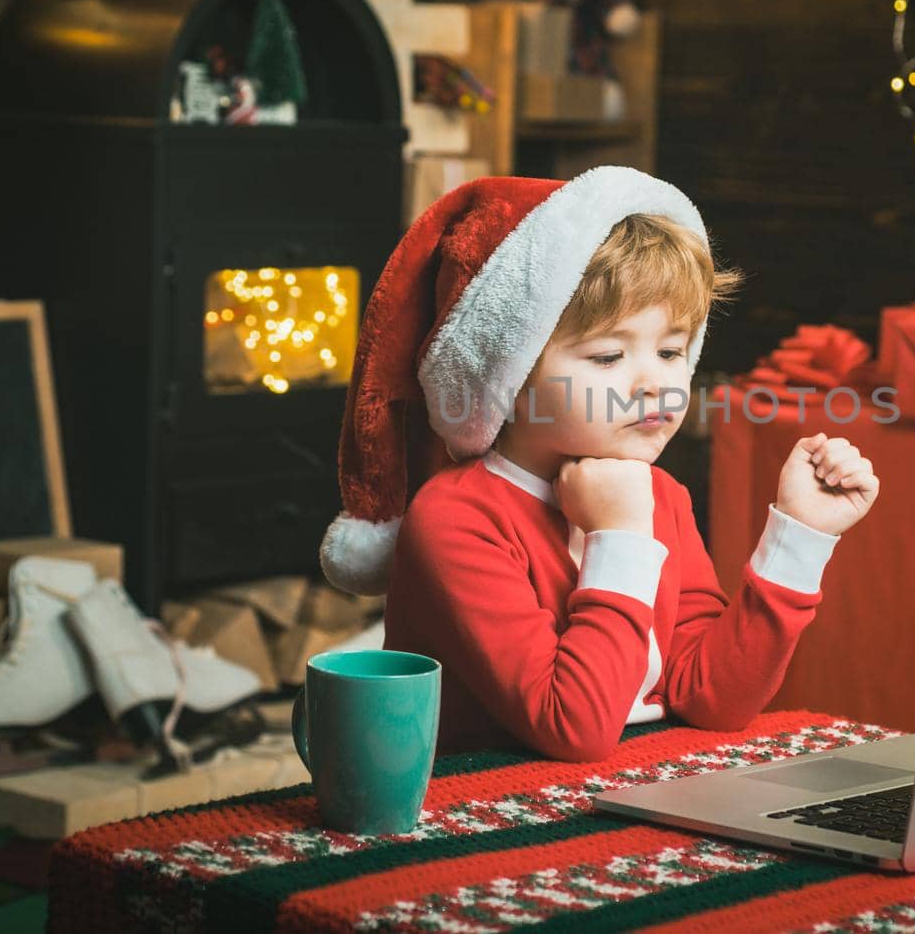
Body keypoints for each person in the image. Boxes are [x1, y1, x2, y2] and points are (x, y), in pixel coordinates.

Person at [319, 166, 880, 761]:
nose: (656, 383)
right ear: (509, 375)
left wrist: (799, 536)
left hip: (628, 795)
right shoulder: (456, 520)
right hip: (493, 809)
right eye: (609, 355)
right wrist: (618, 537)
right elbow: (573, 729)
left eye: (671, 351)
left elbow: (714, 700)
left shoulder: (659, 494)